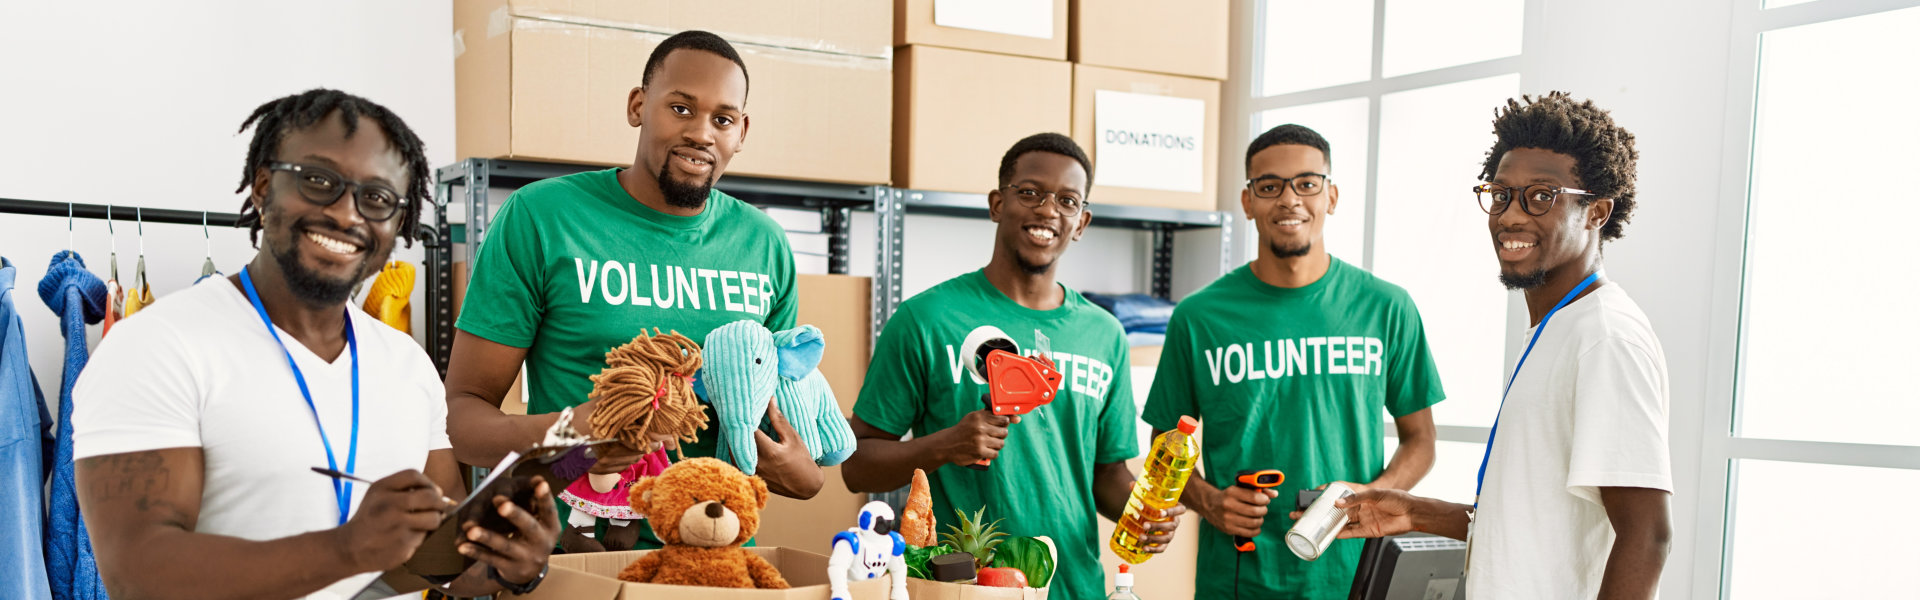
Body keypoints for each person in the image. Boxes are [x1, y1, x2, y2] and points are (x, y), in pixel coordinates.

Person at [72, 89, 558, 600]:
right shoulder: (155, 346)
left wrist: (513, 565)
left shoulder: (407, 365)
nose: (347, 215)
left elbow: (444, 565)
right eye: (320, 182)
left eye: (377, 198)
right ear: (263, 187)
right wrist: (350, 548)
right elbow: (139, 573)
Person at [444, 29, 821, 552]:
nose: (702, 133)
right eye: (681, 108)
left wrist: (804, 473)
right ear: (638, 106)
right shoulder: (542, 217)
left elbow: (778, 410)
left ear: (742, 132)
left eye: (723, 119)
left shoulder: (765, 244)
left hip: (709, 566)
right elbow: (463, 418)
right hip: (574, 557)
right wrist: (571, 431)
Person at [1322, 92, 1671, 600]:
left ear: (1596, 212)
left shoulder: (1605, 337)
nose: (1510, 216)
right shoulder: (1557, 329)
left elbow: (1648, 534)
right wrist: (1417, 511)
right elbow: (1539, 526)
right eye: (1501, 194)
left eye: (1541, 196)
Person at [841, 133, 1179, 600]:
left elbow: (1106, 474)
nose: (1047, 210)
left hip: (1076, 587)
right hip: (964, 587)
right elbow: (856, 465)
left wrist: (1142, 515)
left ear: (1081, 222)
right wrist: (945, 445)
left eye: (1067, 200)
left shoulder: (1105, 335)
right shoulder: (926, 319)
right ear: (997, 204)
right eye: (1030, 193)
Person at [1141, 124, 1445, 598]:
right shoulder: (1198, 316)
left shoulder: (1386, 306)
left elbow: (1421, 441)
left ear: (1332, 194)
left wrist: (1371, 497)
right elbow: (1164, 439)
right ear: (1248, 202)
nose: (1289, 199)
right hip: (1238, 578)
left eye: (1307, 183)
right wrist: (1211, 502)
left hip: (1351, 573)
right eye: (1269, 186)